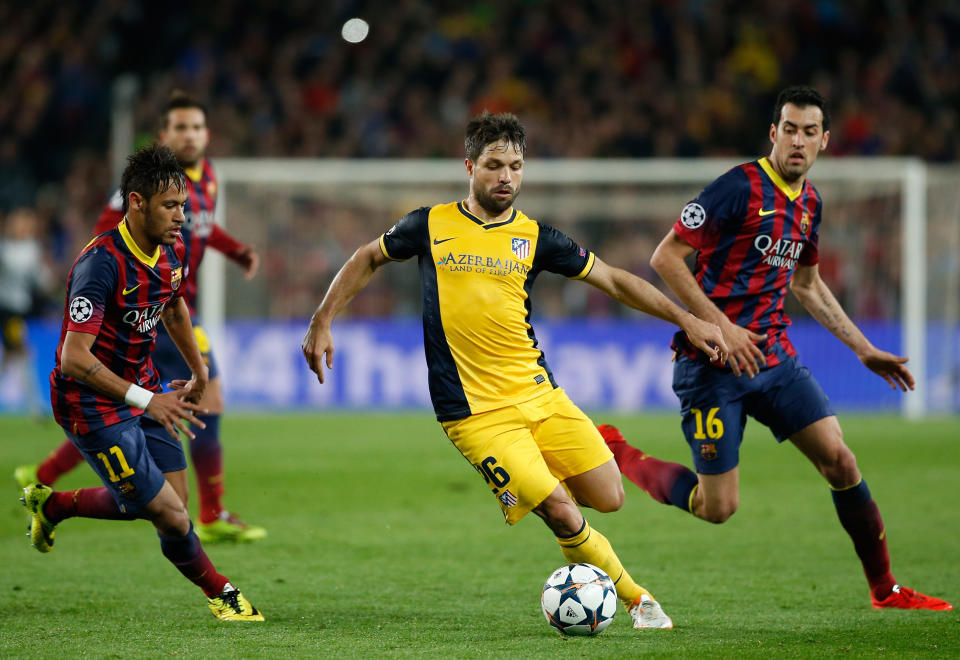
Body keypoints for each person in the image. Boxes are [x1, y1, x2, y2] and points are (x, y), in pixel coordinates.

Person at [301, 111, 730, 630]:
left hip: (541, 396)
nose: (506, 177)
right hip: (476, 416)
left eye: (516, 166)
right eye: (494, 165)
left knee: (609, 498)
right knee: (563, 512)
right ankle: (640, 601)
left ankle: (563, 485)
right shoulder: (429, 225)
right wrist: (323, 318)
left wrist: (689, 318)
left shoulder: (537, 238)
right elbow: (367, 257)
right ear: (469, 166)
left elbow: (615, 282)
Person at [599, 86, 952, 611]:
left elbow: (807, 286)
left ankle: (885, 588)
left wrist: (863, 348)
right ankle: (619, 452)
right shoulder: (736, 188)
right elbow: (666, 258)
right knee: (717, 507)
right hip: (712, 365)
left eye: (810, 132)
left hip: (773, 358)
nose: (798, 141)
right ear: (773, 133)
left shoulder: (810, 203)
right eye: (789, 129)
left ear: (825, 141)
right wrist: (720, 326)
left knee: (841, 460)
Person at [21, 144, 263, 621]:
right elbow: (73, 358)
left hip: (144, 388)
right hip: (90, 404)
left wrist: (199, 370)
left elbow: (173, 306)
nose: (182, 218)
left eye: (184, 206)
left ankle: (54, 506)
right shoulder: (101, 265)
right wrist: (145, 399)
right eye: (170, 206)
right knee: (170, 515)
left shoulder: (169, 253)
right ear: (136, 202)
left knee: (172, 506)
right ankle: (223, 594)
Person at [0, 207, 52, 413]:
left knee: (12, 355)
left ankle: (34, 403)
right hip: (7, 310)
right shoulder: (8, 249)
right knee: (23, 352)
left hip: (19, 310)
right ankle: (35, 405)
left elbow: (41, 281)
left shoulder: (30, 248)